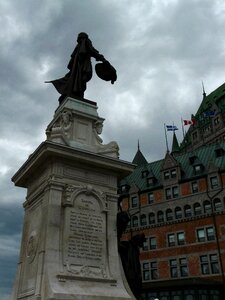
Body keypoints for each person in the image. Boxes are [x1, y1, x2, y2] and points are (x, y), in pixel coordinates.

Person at [46, 32, 116, 104]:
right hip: (81, 65)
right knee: (79, 80)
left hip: (80, 66)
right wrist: (103, 59)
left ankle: (74, 94)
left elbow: (76, 58)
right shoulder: (83, 42)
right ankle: (75, 94)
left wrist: (102, 59)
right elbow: (91, 51)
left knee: (77, 80)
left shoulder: (81, 44)